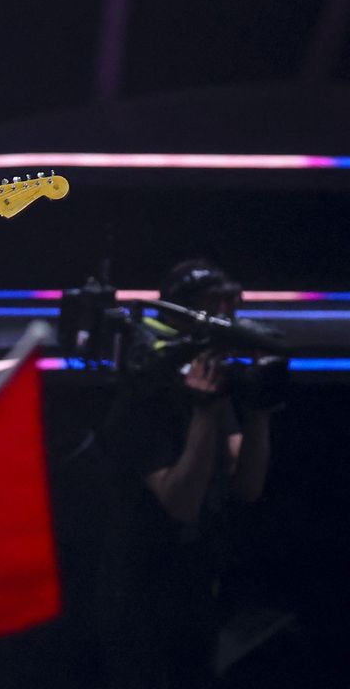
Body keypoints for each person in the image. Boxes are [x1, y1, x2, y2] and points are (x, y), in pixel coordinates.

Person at [97, 260, 275, 688]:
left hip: (199, 586)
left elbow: (247, 487)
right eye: (212, 310)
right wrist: (204, 413)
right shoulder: (142, 402)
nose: (224, 322)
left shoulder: (215, 389)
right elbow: (181, 504)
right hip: (142, 599)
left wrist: (259, 411)